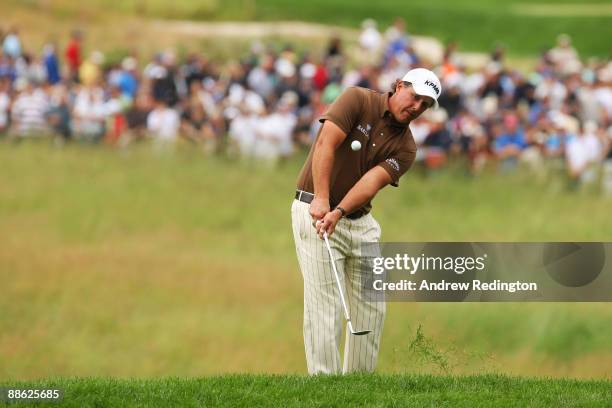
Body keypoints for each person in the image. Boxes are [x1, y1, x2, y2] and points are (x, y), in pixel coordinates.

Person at [291, 68, 441, 374]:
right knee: (326, 305)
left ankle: (359, 386)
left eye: (425, 105)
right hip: (313, 209)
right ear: (399, 86)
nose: (417, 107)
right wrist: (322, 200)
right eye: (415, 97)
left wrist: (338, 212)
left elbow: (371, 183)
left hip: (358, 221)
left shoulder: (407, 147)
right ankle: (325, 386)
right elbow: (325, 145)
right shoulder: (357, 99)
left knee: (372, 308)